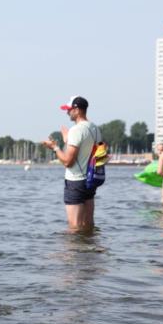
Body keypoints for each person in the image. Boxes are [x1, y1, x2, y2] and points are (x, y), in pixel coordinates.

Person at [41, 96, 102, 231]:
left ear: (77, 110)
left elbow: (68, 162)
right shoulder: (95, 128)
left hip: (75, 181)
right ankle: (89, 250)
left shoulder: (76, 130)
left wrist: (55, 148)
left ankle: (74, 251)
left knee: (74, 227)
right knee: (88, 224)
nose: (67, 112)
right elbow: (89, 153)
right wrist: (67, 140)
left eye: (69, 109)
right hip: (90, 180)